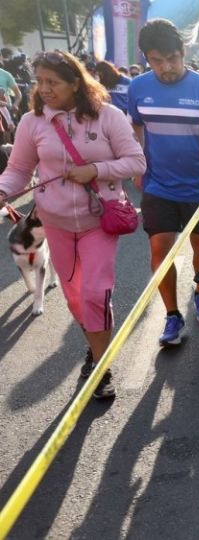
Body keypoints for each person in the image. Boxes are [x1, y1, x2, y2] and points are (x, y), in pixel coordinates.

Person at [0, 50, 146, 399]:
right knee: (76, 298)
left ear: (76, 83)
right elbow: (19, 169)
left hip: (101, 221)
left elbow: (136, 161)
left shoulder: (107, 116)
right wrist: (3, 191)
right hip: (56, 224)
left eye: (53, 82)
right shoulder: (32, 122)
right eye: (40, 82)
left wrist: (96, 170)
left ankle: (101, 366)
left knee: (95, 293)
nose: (44, 89)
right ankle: (95, 349)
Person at [127, 19, 199, 346]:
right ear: (146, 58)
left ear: (183, 52)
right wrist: (138, 166)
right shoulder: (138, 88)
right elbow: (137, 128)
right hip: (158, 186)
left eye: (172, 58)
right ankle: (172, 315)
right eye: (157, 61)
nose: (166, 67)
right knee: (159, 249)